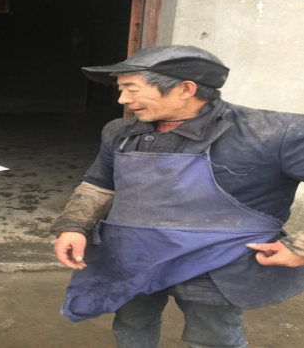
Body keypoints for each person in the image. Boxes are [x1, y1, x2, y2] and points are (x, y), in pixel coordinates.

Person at [51, 45, 304, 348]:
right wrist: (74, 226)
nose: (123, 100)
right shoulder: (119, 132)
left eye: (132, 89)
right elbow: (99, 184)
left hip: (219, 261)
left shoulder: (274, 133)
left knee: (212, 338)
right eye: (121, 89)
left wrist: (299, 246)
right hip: (132, 255)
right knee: (132, 326)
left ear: (185, 89)